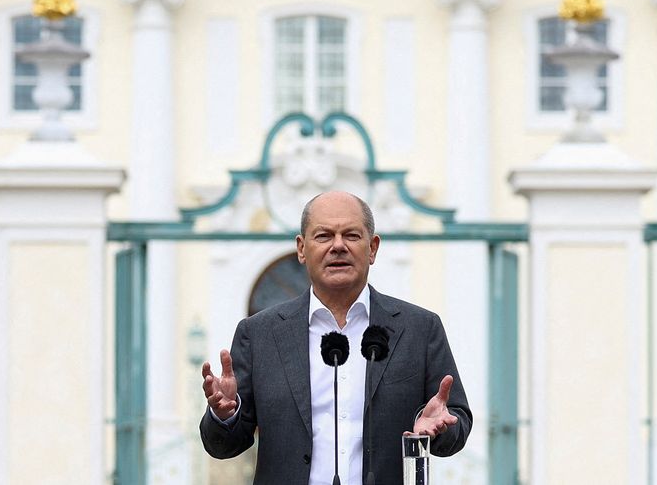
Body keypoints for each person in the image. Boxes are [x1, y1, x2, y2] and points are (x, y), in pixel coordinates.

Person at [200, 191, 472, 485]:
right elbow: (223, 445)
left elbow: (456, 419)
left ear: (373, 248)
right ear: (302, 249)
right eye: (324, 236)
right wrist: (224, 414)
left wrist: (440, 427)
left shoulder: (419, 328)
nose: (338, 246)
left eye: (352, 235)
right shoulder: (259, 334)